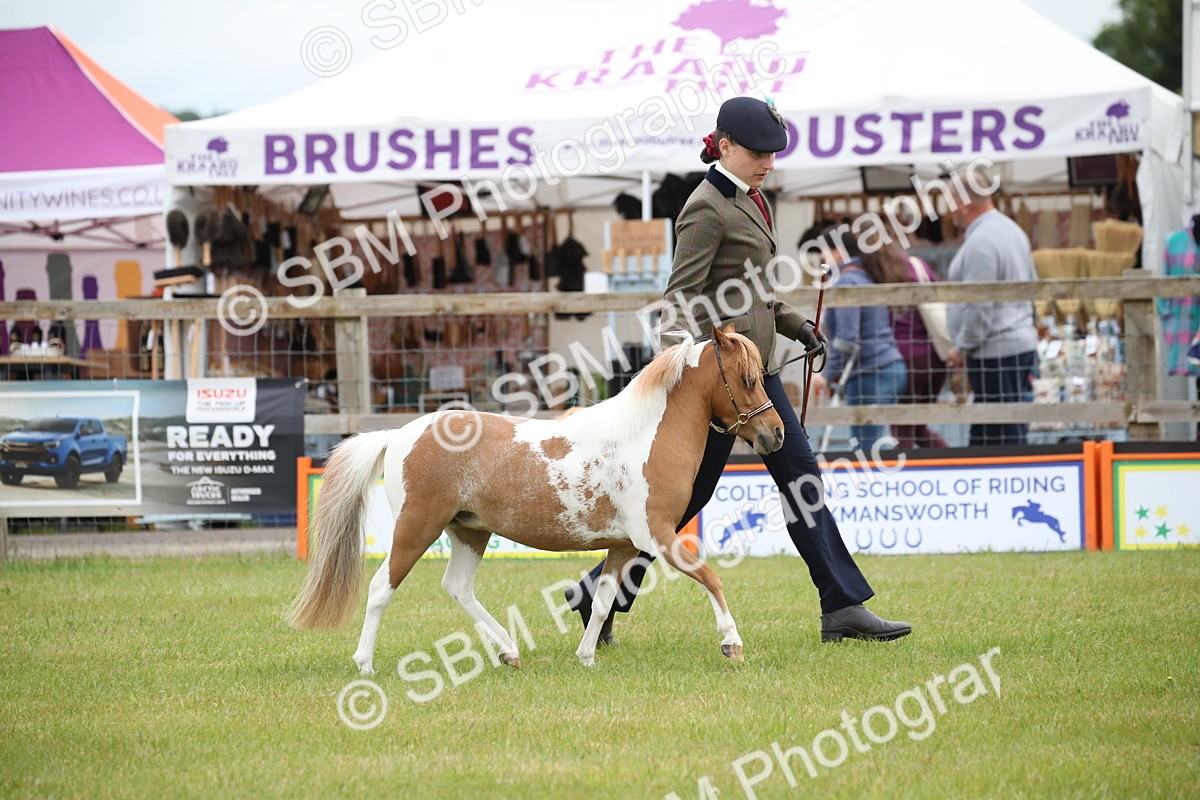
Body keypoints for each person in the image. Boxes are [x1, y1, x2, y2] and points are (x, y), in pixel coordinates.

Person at [564, 96, 911, 646]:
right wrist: (678, 371)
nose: (769, 163)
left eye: (774, 154)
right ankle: (596, 593)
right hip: (719, 382)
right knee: (689, 497)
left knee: (799, 479)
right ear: (724, 146)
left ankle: (842, 606)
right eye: (758, 153)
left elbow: (754, 293)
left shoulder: (752, 197)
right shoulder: (706, 207)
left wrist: (797, 326)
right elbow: (681, 295)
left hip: (755, 372)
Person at [944, 172, 1039, 446]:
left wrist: (963, 346)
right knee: (1005, 427)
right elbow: (1032, 287)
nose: (949, 212)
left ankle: (1009, 472)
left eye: (951, 203)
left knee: (996, 433)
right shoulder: (1012, 231)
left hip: (995, 351)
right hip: (1015, 344)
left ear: (964, 204)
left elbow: (979, 306)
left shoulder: (981, 242)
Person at [810, 223, 907, 452]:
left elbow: (847, 340)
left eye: (824, 250)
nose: (821, 256)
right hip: (884, 368)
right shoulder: (862, 276)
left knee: (865, 449)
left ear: (838, 252)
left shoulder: (847, 282)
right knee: (872, 445)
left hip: (871, 374)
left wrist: (826, 375)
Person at [879, 233, 950, 450]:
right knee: (919, 428)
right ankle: (951, 463)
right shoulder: (917, 265)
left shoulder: (877, 276)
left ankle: (905, 470)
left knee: (902, 431)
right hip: (935, 356)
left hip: (904, 361)